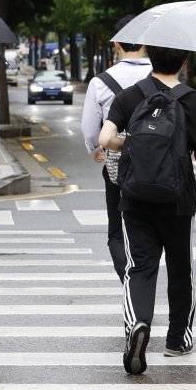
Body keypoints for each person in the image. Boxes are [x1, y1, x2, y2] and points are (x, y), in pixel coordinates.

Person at [99, 45, 196, 375]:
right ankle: (177, 340)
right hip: (178, 200)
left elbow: (106, 138)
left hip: (135, 198)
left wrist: (131, 144)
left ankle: (138, 323)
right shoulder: (194, 101)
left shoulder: (130, 96)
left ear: (150, 57)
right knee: (180, 268)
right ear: (184, 62)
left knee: (138, 267)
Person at [81, 15, 151, 281]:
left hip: (117, 161)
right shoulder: (161, 77)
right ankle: (144, 278)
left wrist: (94, 150)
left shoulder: (101, 82)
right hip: (156, 162)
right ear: (145, 43)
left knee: (117, 230)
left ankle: (129, 279)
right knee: (149, 226)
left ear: (116, 44)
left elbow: (90, 128)